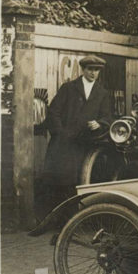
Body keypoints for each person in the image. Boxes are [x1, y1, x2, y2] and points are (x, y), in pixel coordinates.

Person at [39, 55, 114, 216]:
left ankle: (77, 218)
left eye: (96, 70)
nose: (93, 73)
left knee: (81, 181)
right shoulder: (69, 88)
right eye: (90, 69)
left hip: (87, 144)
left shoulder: (102, 93)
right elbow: (54, 112)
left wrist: (99, 123)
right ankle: (56, 219)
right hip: (64, 144)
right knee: (61, 180)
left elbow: (107, 116)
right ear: (83, 69)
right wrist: (61, 133)